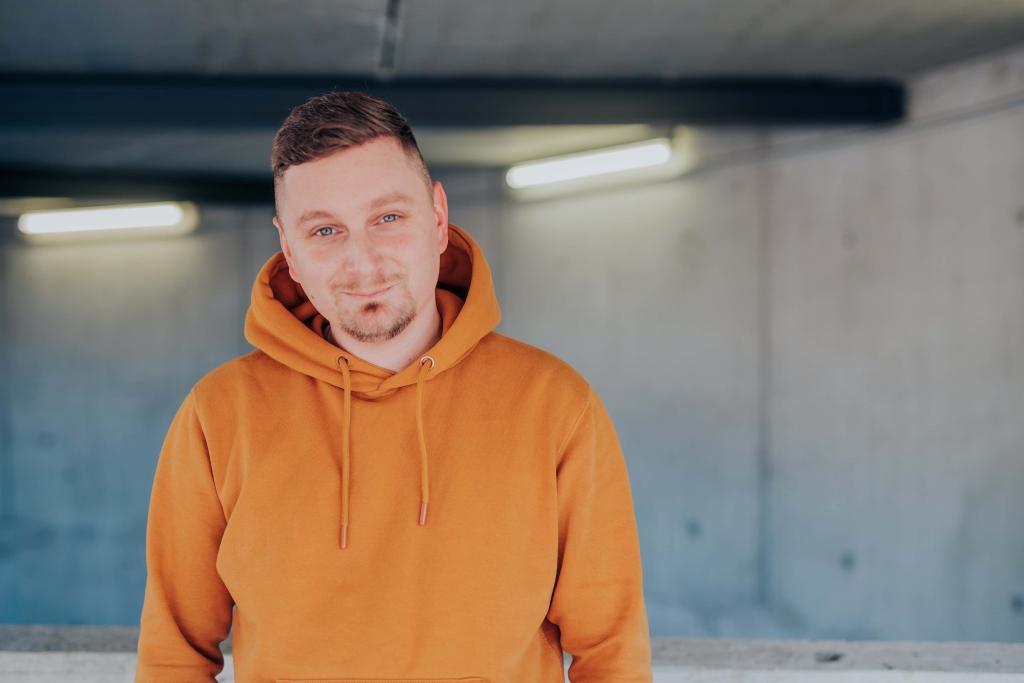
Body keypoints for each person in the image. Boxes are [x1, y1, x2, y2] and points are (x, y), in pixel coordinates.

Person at [134, 90, 652, 683]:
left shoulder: (555, 404)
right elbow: (173, 656)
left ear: (437, 218)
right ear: (290, 252)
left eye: (387, 218)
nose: (364, 262)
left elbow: (611, 653)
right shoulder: (219, 414)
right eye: (326, 231)